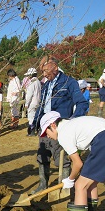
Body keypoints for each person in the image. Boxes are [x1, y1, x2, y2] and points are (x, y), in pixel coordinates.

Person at [31, 56, 88, 194]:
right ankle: (42, 185)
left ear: (55, 67)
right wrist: (35, 123)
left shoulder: (69, 82)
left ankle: (64, 187)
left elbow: (82, 103)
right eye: (42, 72)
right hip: (45, 128)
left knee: (61, 160)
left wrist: (72, 121)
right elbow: (42, 105)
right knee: (42, 157)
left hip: (60, 128)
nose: (43, 75)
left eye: (45, 71)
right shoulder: (46, 85)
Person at [22, 68, 41, 136]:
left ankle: (31, 132)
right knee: (36, 116)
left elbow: (29, 94)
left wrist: (27, 103)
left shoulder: (32, 83)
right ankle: (37, 130)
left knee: (31, 117)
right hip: (38, 101)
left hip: (32, 102)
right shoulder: (38, 81)